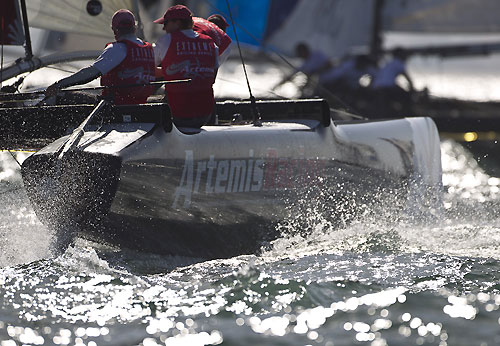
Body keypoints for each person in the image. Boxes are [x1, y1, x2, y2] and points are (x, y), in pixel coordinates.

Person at [46, 9, 156, 105]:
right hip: (140, 103)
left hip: (114, 106)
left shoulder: (118, 48)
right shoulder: (149, 49)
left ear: (115, 30)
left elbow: (91, 73)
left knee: (59, 97)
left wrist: (58, 85)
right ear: (134, 28)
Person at [153, 4, 219, 128]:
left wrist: (169, 72)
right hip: (205, 113)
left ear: (177, 23)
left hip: (178, 112)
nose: (164, 29)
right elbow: (212, 76)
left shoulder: (166, 40)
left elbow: (146, 68)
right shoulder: (210, 42)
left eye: (165, 24)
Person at [371, 47, 414, 116]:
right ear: (400, 55)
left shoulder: (388, 64)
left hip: (377, 87)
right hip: (387, 88)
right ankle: (405, 113)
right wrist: (412, 88)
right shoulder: (398, 63)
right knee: (406, 96)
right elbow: (407, 78)